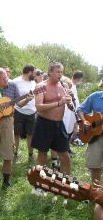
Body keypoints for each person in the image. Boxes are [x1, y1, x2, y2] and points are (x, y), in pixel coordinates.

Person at [31, 61, 72, 196]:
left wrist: (70, 103)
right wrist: (59, 102)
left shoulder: (64, 85)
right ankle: (38, 186)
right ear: (49, 72)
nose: (61, 75)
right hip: (44, 123)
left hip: (59, 124)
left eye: (62, 72)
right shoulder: (40, 86)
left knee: (65, 156)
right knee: (42, 155)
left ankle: (65, 185)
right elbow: (39, 106)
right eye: (58, 72)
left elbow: (69, 106)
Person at [77, 88, 103, 183]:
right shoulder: (95, 96)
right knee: (95, 166)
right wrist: (84, 121)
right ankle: (96, 194)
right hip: (95, 137)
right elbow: (80, 109)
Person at [12, 65, 36, 163]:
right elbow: (12, 97)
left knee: (30, 134)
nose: (35, 75)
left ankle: (30, 155)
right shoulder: (15, 82)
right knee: (16, 134)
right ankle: (14, 154)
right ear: (29, 72)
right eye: (34, 73)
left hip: (32, 111)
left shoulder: (34, 82)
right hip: (18, 111)